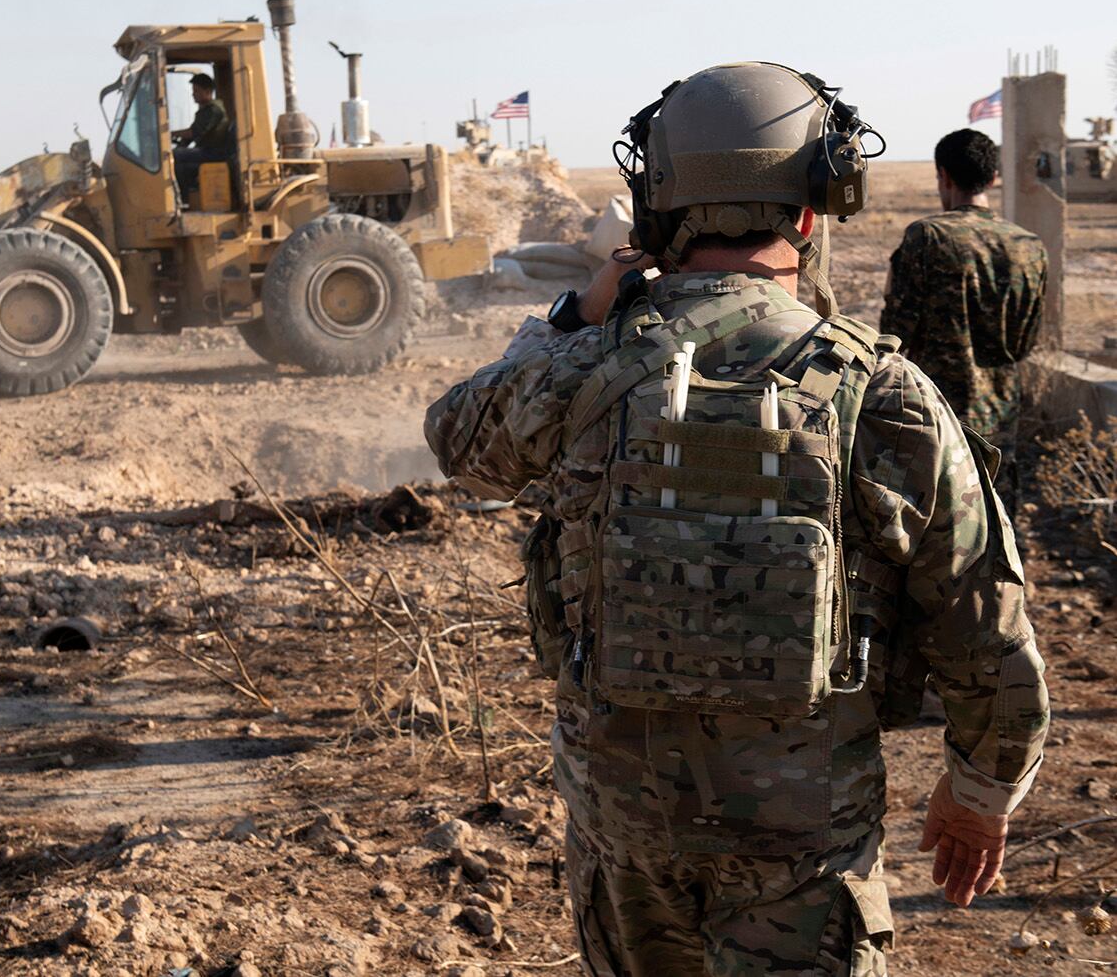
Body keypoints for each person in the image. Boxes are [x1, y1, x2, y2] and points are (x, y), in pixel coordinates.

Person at [424, 63, 1048, 976]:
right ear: (809, 211)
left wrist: (570, 316)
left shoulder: (579, 369)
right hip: (802, 848)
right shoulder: (883, 394)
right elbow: (983, 617)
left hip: (623, 836)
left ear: (658, 203)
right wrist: (981, 788)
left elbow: (457, 435)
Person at [880, 128, 1047, 514]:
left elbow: (894, 336)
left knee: (940, 528)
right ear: (992, 178)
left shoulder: (928, 237)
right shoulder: (1030, 246)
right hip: (1002, 416)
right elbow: (1026, 342)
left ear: (944, 176)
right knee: (997, 524)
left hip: (936, 414)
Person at [172, 73, 233, 201]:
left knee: (176, 156)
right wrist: (181, 143)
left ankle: (183, 200)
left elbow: (193, 132)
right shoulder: (205, 110)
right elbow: (191, 136)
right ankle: (185, 197)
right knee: (176, 158)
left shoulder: (214, 110)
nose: (193, 94)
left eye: (196, 91)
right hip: (208, 151)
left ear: (208, 91)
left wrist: (171, 134)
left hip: (214, 153)